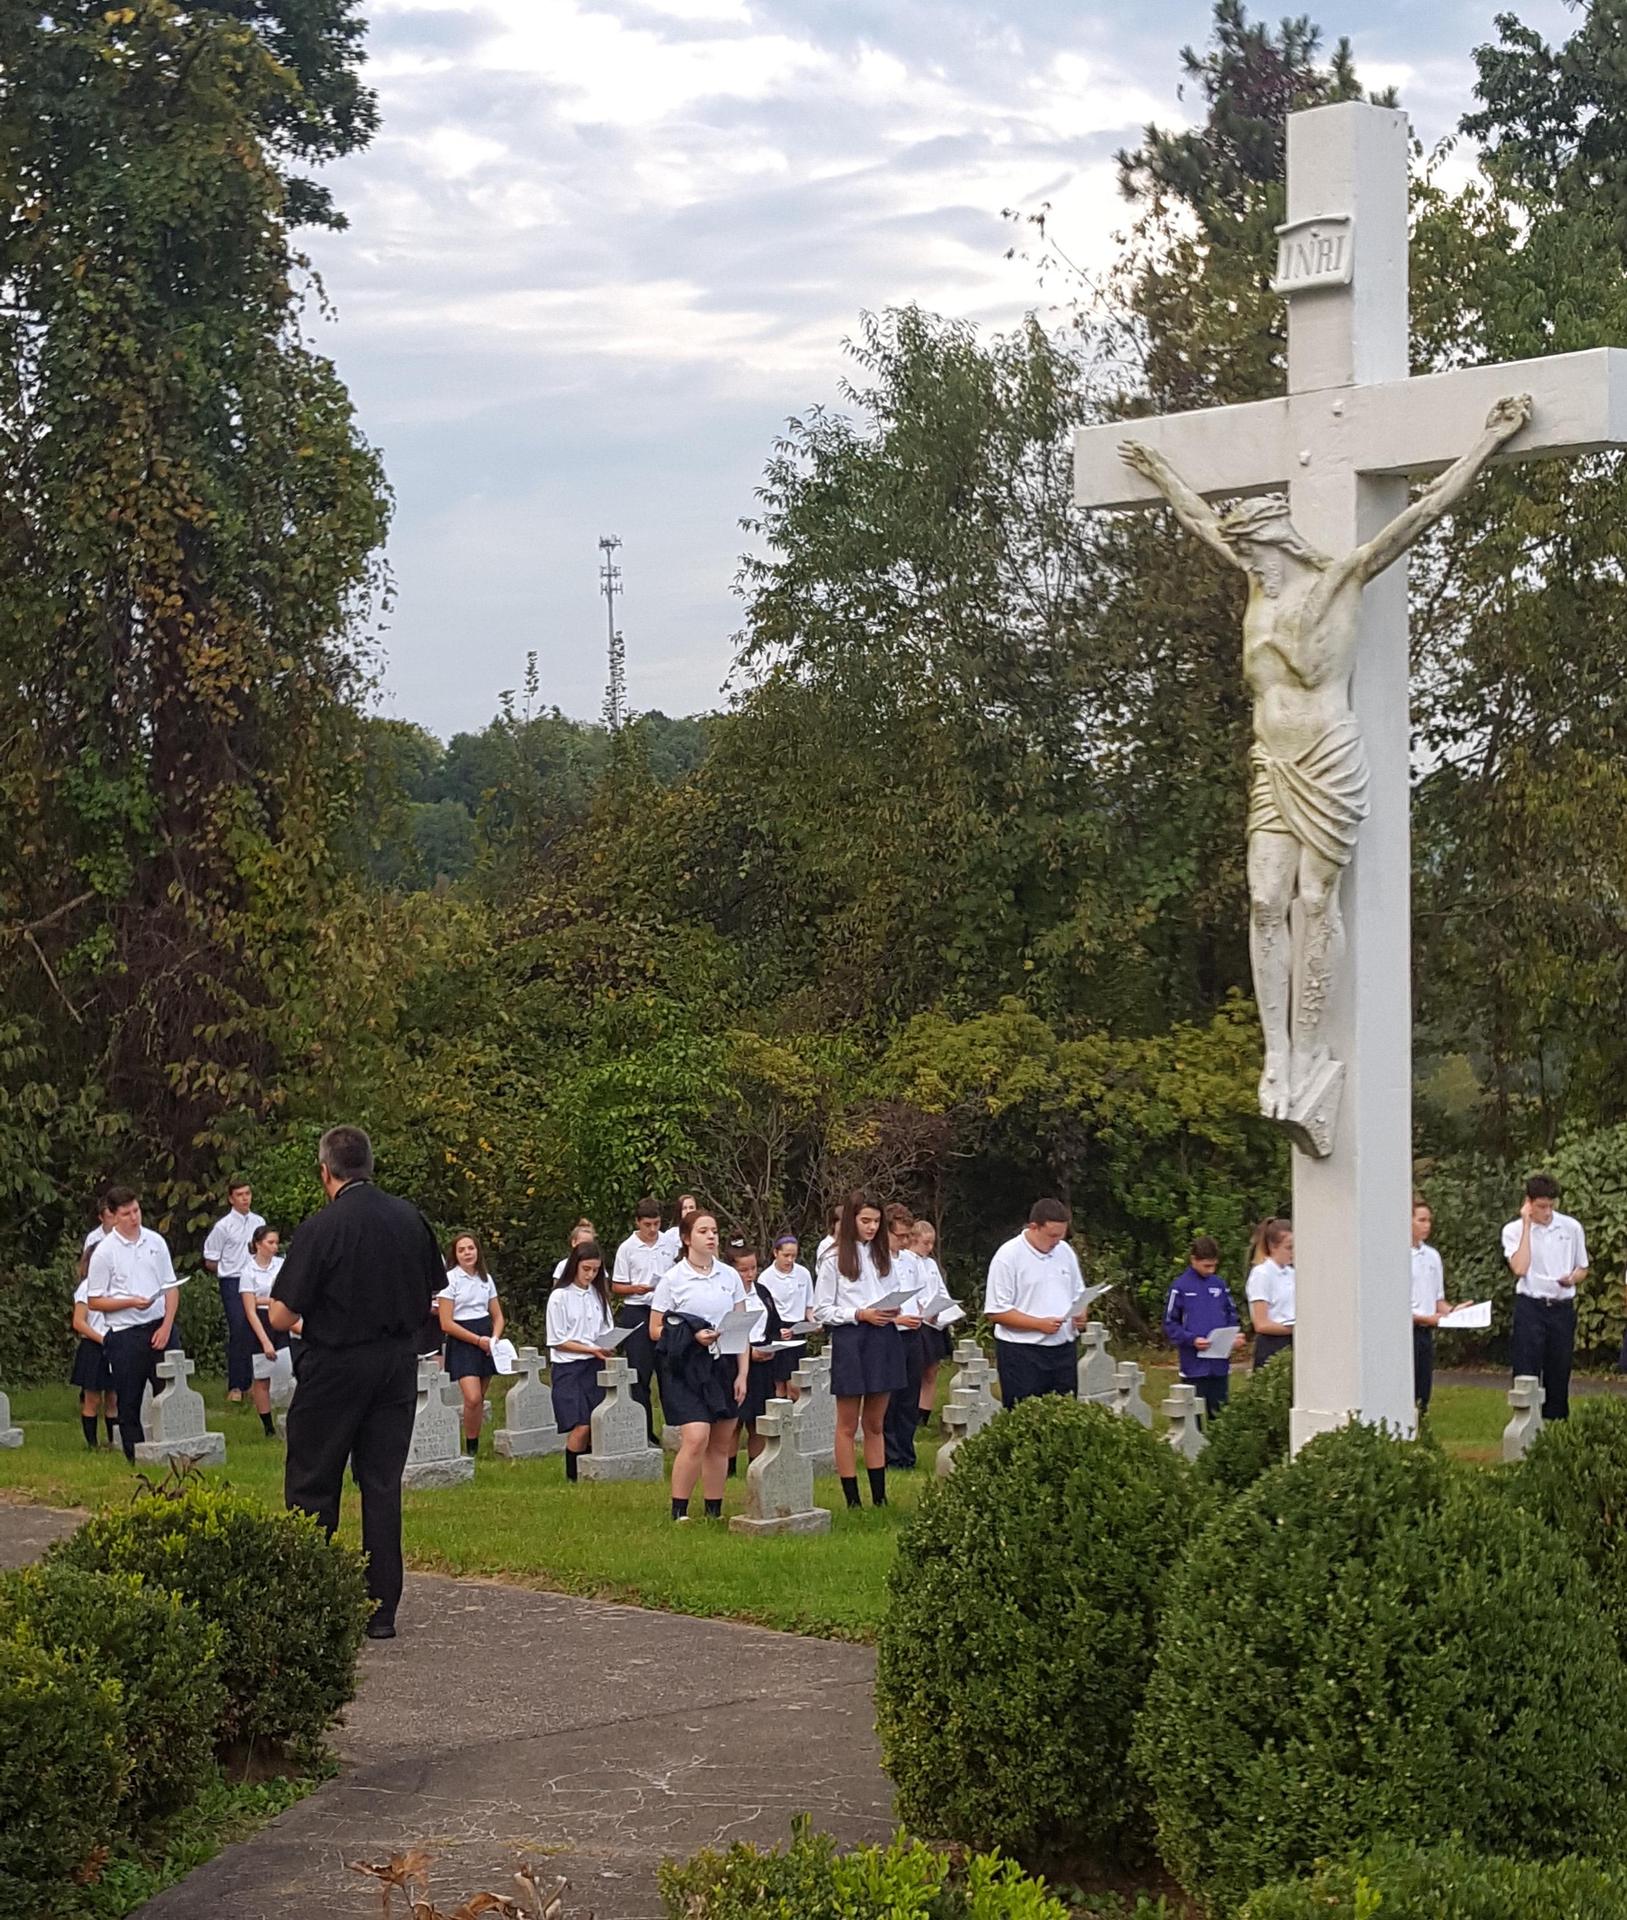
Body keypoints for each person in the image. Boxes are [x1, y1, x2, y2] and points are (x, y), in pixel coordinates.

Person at [269, 1125, 444, 1640]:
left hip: (336, 1362)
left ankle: (315, 1599)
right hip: (395, 1362)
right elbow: (433, 1291)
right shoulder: (409, 1218)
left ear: (326, 1172)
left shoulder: (324, 1227)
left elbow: (280, 1315)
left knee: (313, 1479)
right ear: (369, 1165)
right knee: (382, 1484)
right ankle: (381, 1608)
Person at [650, 1210, 748, 1522]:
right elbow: (655, 1329)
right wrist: (691, 1336)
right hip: (684, 1366)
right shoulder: (673, 1279)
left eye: (715, 1231)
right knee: (696, 1436)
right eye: (703, 1231)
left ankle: (713, 1510)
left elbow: (740, 1326)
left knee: (721, 1440)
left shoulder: (729, 1276)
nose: (711, 1237)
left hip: (722, 1364)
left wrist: (743, 1373)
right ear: (686, 1238)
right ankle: (679, 1511)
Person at [814, 1191, 904, 1510]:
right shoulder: (833, 1258)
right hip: (851, 1338)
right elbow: (822, 1309)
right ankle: (853, 1500)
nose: (871, 1227)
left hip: (883, 1337)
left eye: (877, 1221)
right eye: (865, 1220)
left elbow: (892, 1294)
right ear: (851, 1220)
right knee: (848, 1424)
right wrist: (858, 1314)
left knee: (876, 1423)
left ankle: (879, 1498)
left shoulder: (884, 1256)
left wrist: (893, 1310)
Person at [84, 1186, 180, 1462]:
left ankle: (173, 1452)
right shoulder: (104, 1252)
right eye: (126, 1214)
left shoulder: (155, 1241)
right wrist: (129, 1302)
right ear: (113, 1216)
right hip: (126, 1333)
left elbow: (171, 1287)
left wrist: (166, 1326)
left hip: (159, 1325)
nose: (134, 1218)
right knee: (129, 1399)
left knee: (169, 1391)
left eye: (136, 1211)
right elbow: (95, 1301)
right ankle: (135, 1457)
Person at [983, 1199, 1087, 1409]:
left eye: (1061, 1235)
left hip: (1063, 1350)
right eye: (1052, 1235)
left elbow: (1079, 1293)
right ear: (1033, 1227)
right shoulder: (1008, 1256)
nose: (1057, 1241)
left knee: (1065, 1414)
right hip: (1022, 1353)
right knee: (1025, 1416)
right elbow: (996, 1311)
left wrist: (1082, 1313)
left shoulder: (1065, 1252)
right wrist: (1038, 1324)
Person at [1503, 1173, 1589, 1424]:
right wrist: (1528, 1225)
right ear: (1529, 1203)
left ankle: (1556, 1427)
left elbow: (1582, 1267)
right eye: (1541, 1206)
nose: (1547, 1212)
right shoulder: (1513, 1230)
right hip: (1531, 1306)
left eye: (1551, 1205)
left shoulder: (1571, 1227)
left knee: (1559, 1371)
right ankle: (1525, 1427)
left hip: (1561, 1306)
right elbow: (1519, 1268)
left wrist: (1572, 1278)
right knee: (1526, 1370)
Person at [547, 1240, 616, 1482]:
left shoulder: (598, 1295)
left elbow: (606, 1329)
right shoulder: (559, 1297)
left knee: (595, 1424)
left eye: (595, 1270)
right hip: (569, 1366)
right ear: (575, 1266)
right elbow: (557, 1340)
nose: (590, 1274)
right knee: (581, 1424)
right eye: (586, 1268)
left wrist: (607, 1345)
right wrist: (590, 1349)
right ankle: (572, 1477)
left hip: (594, 1363)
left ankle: (589, 1471)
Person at [438, 1231, 505, 1458]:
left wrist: (493, 1339)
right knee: (472, 1397)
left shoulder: (485, 1279)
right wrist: (477, 1340)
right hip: (464, 1338)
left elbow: (497, 1315)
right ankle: (468, 1444)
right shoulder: (450, 1279)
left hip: (486, 1337)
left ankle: (473, 1447)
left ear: (478, 1251)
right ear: (455, 1255)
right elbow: (446, 1322)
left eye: (471, 1248)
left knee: (480, 1399)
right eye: (462, 1250)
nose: (467, 1253)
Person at [1162, 1236, 1240, 1423]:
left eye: (1214, 1266)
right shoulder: (1180, 1287)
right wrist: (1191, 1339)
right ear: (1193, 1260)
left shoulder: (1219, 1284)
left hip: (1219, 1364)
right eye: (1206, 1266)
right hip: (1193, 1365)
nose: (1211, 1270)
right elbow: (1169, 1323)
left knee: (1220, 1416)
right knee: (1192, 1418)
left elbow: (1232, 1314)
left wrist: (1233, 1336)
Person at [202, 1178, 266, 1405]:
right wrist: (226, 1270)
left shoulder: (258, 1222)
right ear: (231, 1198)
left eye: (247, 1193)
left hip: (256, 1279)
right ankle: (236, 1385)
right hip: (233, 1281)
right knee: (239, 1328)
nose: (245, 1198)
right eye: (240, 1195)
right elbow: (210, 1257)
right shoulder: (223, 1226)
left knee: (257, 1327)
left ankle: (255, 1382)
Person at [611, 1198, 668, 1446]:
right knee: (640, 1373)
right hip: (638, 1309)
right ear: (638, 1223)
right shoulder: (627, 1248)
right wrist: (637, 1288)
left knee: (668, 1370)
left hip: (665, 1310)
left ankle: (677, 1426)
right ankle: (644, 1431)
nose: (653, 1230)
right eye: (647, 1224)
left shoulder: (669, 1242)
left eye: (656, 1224)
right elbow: (616, 1286)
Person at [729, 1244, 785, 1462]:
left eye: (753, 1268)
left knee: (758, 1421)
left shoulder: (762, 1292)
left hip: (764, 1364)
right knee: (735, 1421)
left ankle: (757, 1466)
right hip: (736, 1361)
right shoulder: (727, 1294)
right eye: (744, 1270)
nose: (750, 1274)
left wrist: (774, 1344)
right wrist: (748, 1353)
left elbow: (773, 1321)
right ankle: (728, 1468)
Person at [882, 1204, 927, 1469]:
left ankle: (907, 1454)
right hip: (890, 1332)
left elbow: (920, 1294)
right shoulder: (876, 1260)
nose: (905, 1241)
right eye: (899, 1236)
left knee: (910, 1396)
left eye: (908, 1236)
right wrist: (896, 1319)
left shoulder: (911, 1260)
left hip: (913, 1333)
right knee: (891, 1398)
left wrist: (926, 1312)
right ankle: (890, 1454)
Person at [238, 1223, 288, 1436]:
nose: (274, 1247)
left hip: (281, 1316)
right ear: (258, 1245)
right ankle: (267, 1426)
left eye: (276, 1242)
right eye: (270, 1243)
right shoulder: (248, 1271)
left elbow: (287, 1295)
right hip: (259, 1321)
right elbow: (250, 1308)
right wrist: (265, 1341)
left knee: (288, 1366)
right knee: (262, 1376)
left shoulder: (282, 1265)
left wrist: (264, 1299)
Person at [1409, 1199, 1453, 1416]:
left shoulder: (1432, 1256)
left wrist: (1455, 1313)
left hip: (1425, 1331)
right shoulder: (1398, 1257)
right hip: (1407, 1332)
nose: (1427, 1225)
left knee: (1423, 1388)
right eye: (1421, 1220)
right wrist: (1425, 1318)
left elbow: (1438, 1301)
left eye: (1429, 1221)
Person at [910, 1220, 953, 1433]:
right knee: (917, 1367)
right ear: (914, 1240)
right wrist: (923, 1311)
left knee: (932, 1369)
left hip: (936, 1322)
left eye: (932, 1243)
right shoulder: (908, 1261)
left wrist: (945, 1308)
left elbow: (941, 1291)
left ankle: (923, 1414)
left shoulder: (931, 1264)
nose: (929, 1248)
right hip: (918, 1321)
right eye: (925, 1243)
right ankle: (910, 1411)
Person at [760, 1231, 813, 1399]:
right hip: (778, 1331)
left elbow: (809, 1306)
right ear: (776, 1253)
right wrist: (775, 1330)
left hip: (798, 1330)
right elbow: (764, 1311)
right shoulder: (766, 1278)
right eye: (786, 1255)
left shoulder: (803, 1273)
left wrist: (814, 1323)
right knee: (780, 1385)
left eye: (794, 1256)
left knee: (796, 1384)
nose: (790, 1260)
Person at [1245, 1218, 1296, 1369]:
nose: (1293, 1253)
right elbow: (1261, 1324)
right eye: (1289, 1248)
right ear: (1273, 1247)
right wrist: (1294, 1329)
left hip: (1292, 1342)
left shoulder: (1291, 1273)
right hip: (1272, 1345)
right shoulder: (1262, 1274)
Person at [656, 1194, 699, 1266]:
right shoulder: (671, 1234)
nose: (688, 1211)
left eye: (691, 1207)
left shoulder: (704, 1232)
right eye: (684, 1208)